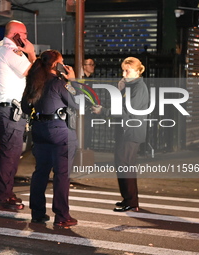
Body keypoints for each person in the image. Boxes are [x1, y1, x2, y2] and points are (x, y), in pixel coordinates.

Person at [21, 49, 79, 227]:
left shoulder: (33, 81)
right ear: (56, 65)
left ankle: (37, 213)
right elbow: (78, 102)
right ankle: (62, 216)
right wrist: (73, 81)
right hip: (59, 132)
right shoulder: (59, 83)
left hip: (39, 131)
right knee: (62, 174)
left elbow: (24, 106)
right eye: (61, 62)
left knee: (41, 173)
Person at [0, 20, 36, 211]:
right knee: (10, 154)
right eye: (23, 34)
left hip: (6, 108)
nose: (25, 38)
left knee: (12, 153)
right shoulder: (10, 51)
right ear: (15, 34)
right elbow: (32, 71)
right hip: (9, 110)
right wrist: (31, 52)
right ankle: (2, 197)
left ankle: (5, 192)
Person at [92, 57, 149, 212]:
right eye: (123, 70)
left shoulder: (139, 87)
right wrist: (121, 89)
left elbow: (127, 110)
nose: (124, 73)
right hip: (126, 130)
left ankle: (131, 201)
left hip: (131, 131)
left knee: (126, 165)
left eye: (127, 70)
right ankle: (128, 199)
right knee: (122, 164)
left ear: (137, 71)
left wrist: (103, 111)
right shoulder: (130, 86)